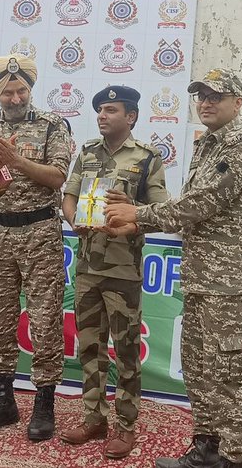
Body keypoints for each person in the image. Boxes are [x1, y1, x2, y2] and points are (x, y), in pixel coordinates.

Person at [105, 68, 242, 468]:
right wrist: (136, 219)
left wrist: (138, 214)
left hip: (227, 284)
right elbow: (191, 209)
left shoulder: (240, 146)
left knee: (226, 371)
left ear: (237, 103)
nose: (207, 102)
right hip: (202, 277)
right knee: (198, 367)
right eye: (202, 95)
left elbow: (201, 204)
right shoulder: (207, 144)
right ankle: (207, 447)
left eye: (217, 96)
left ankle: (234, 456)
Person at [0, 54, 72, 441]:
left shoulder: (51, 125)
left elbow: (58, 176)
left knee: (44, 321)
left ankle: (44, 404)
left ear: (30, 89)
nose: (15, 97)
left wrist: (16, 160)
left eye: (21, 90)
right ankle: (4, 401)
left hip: (40, 231)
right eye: (7, 92)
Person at [58, 85, 167, 459]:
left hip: (123, 270)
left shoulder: (147, 158)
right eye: (100, 110)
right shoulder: (87, 152)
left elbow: (160, 212)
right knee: (89, 347)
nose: (102, 116)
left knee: (125, 350)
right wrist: (74, 220)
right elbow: (69, 195)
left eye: (110, 110)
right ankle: (93, 417)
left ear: (130, 117)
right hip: (87, 266)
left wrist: (131, 212)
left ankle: (125, 425)